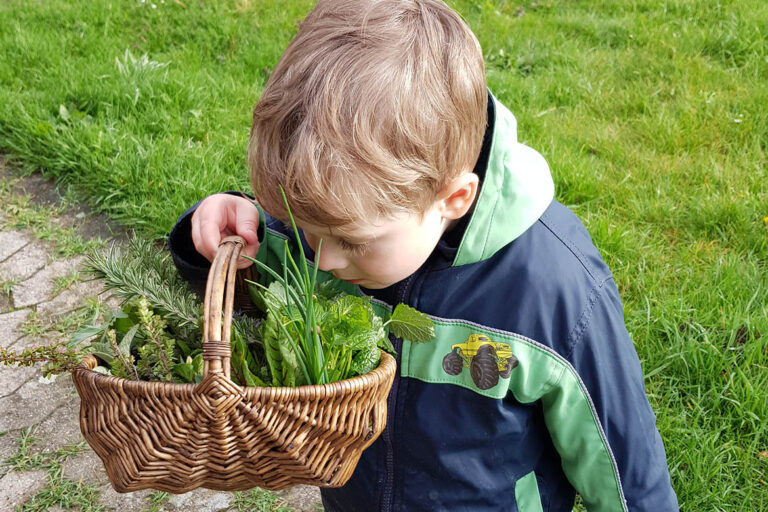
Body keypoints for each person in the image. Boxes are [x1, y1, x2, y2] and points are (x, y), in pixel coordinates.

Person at [167, 0, 679, 510]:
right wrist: (209, 234)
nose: (321, 260)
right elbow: (252, 274)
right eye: (306, 229)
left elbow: (624, 467)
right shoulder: (341, 219)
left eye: (352, 242)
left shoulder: (551, 290)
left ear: (454, 198)